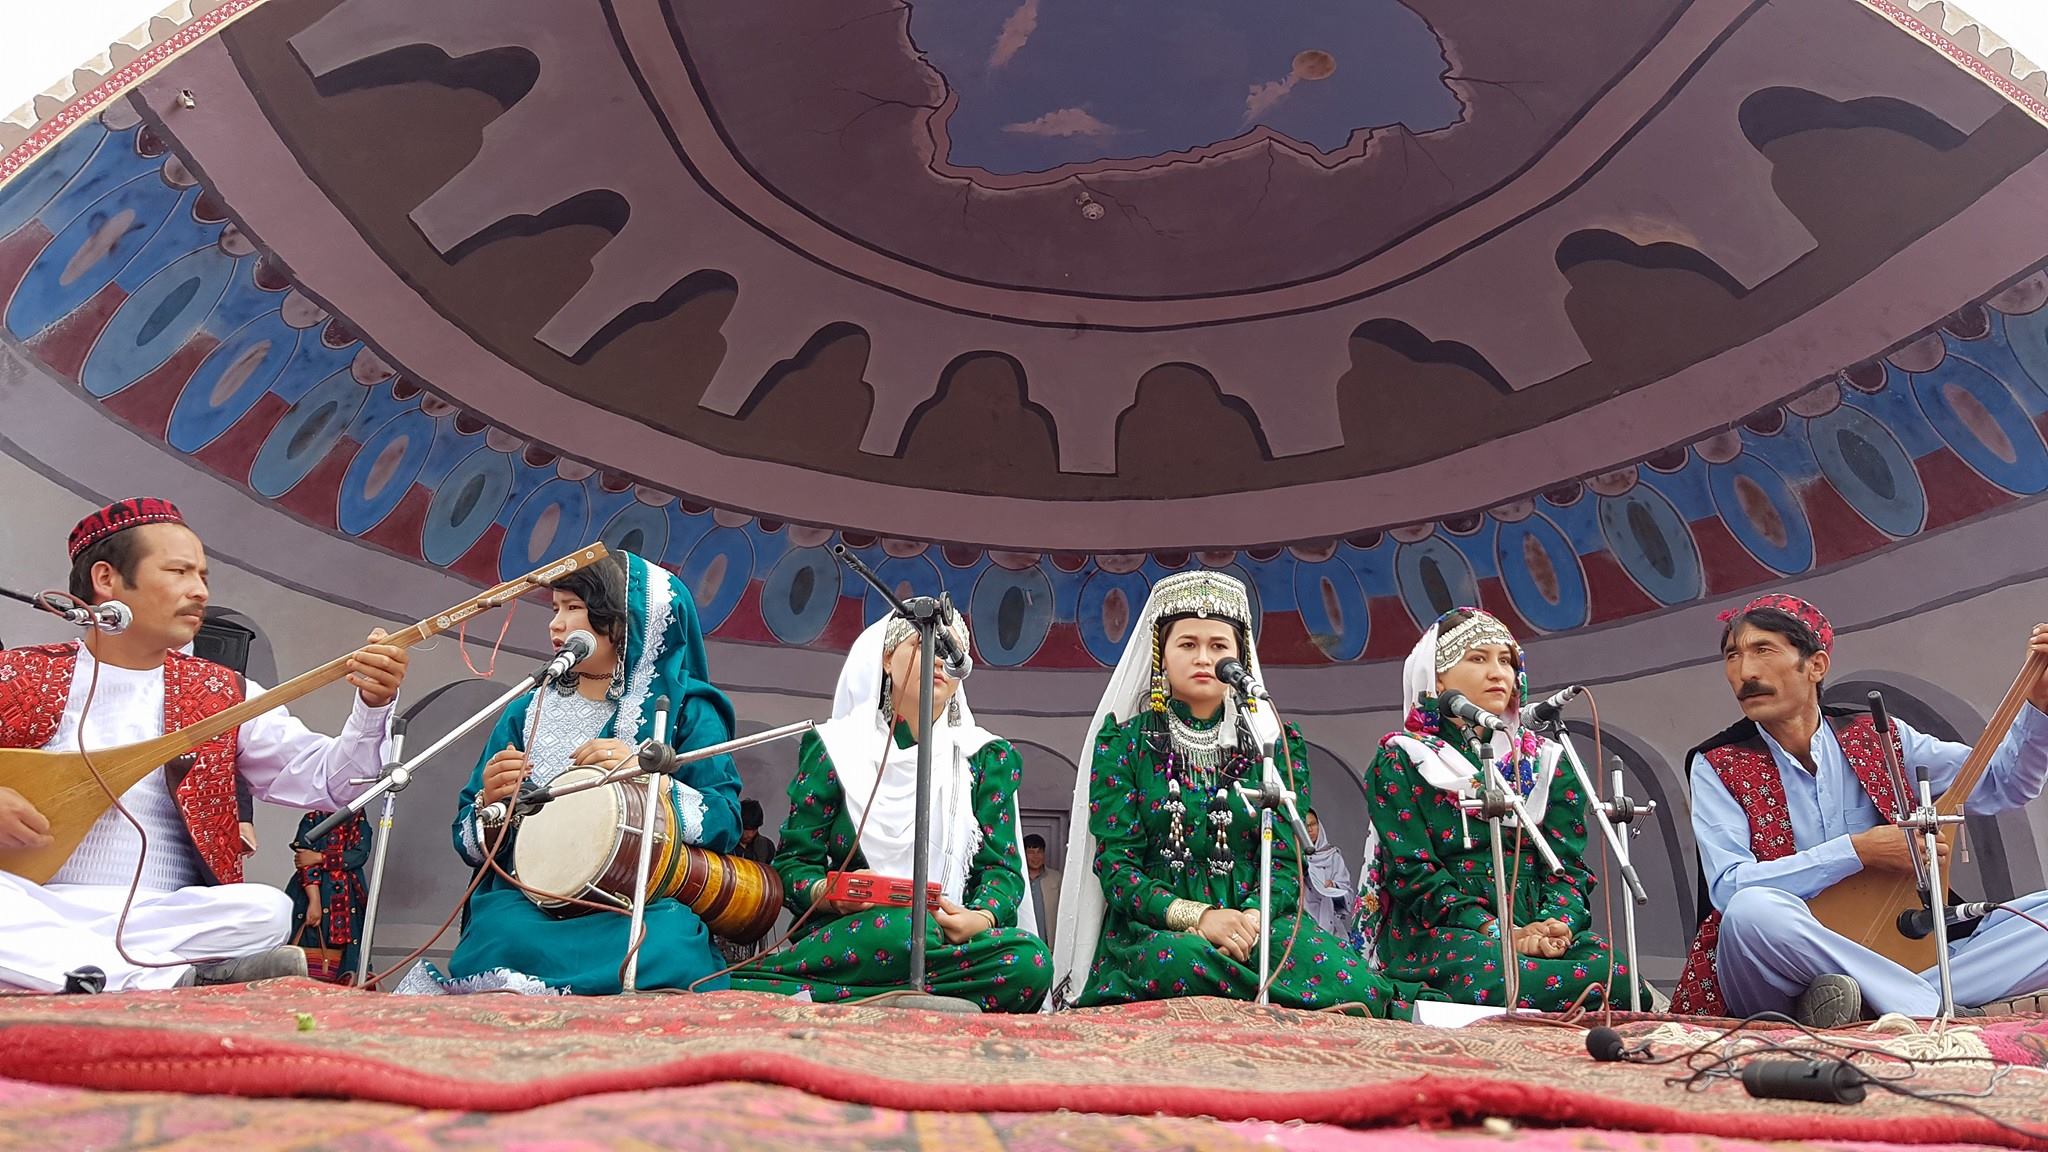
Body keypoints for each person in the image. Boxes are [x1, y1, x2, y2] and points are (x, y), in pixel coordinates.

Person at [0, 498, 406, 992]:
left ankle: (77, 972)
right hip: (32, 904)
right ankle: (169, 979)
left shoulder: (224, 693)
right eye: (178, 572)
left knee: (266, 910)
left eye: (203, 577)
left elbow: (332, 784)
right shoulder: (16, 674)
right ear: (106, 579)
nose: (199, 591)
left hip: (162, 917)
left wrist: (373, 707)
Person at [1051, 569, 1437, 1016]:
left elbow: (1286, 863)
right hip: (1157, 928)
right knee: (1181, 961)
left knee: (1357, 986)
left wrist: (1249, 921)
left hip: (1257, 926)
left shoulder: (1275, 745)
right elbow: (1117, 868)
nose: (1203, 658)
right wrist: (1200, 918)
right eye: (1187, 644)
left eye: (1219, 646)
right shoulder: (1124, 744)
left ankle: (1249, 990)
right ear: (1161, 655)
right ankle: (1275, 999)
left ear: (1240, 658)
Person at [1672, 595, 2048, 1024]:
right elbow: (1728, 886)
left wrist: (2038, 705)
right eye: (1732, 656)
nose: (1745, 673)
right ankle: (1927, 1006)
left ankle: (1858, 1003)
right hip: (1783, 968)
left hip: (1900, 947)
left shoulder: (1879, 736)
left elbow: (2002, 784)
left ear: (1816, 665)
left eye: (1763, 650)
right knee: (1749, 912)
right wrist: (1859, 851)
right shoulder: (1717, 762)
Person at [438, 551, 742, 995]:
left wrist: (648, 780)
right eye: (554, 609)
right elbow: (468, 842)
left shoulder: (686, 710)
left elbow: (725, 822)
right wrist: (492, 802)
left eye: (573, 608)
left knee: (668, 941)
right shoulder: (528, 709)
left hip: (637, 905)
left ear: (624, 620)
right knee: (497, 932)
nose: (555, 625)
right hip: (529, 906)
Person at [731, 607, 1051, 1011]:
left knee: (1030, 961)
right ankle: (920, 999)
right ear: (886, 658)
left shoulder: (985, 756)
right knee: (902, 927)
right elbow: (794, 865)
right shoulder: (836, 748)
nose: (939, 659)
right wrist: (830, 893)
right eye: (923, 644)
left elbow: (1001, 871)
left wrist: (980, 918)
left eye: (950, 651)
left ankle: (827, 997)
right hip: (855, 933)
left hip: (950, 942)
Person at [1355, 608, 1632, 1011]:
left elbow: (1568, 869)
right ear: (1437, 678)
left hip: (1536, 927)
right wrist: (1497, 931)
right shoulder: (1404, 759)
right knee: (1506, 978)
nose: (1498, 673)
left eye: (1506, 661)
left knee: (1617, 975)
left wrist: (1556, 926)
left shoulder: (1547, 763)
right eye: (1478, 658)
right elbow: (1413, 874)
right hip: (1446, 929)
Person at [288, 809, 370, 983]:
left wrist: (319, 857)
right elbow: (304, 860)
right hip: (313, 893)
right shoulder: (313, 818)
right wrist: (314, 901)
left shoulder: (358, 817)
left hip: (350, 898)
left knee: (350, 956)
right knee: (309, 948)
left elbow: (359, 856)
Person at [1300, 809, 1353, 936]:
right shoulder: (1294, 855)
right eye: (1305, 826)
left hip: (1329, 922)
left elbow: (1348, 894)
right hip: (1302, 920)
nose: (1310, 830)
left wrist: (1333, 885)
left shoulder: (1333, 856)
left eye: (1313, 824)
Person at [1024, 834, 1062, 951]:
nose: (1036, 857)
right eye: (1031, 852)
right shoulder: (1018, 879)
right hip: (1024, 943)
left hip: (1050, 945)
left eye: (1039, 852)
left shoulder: (1056, 878)